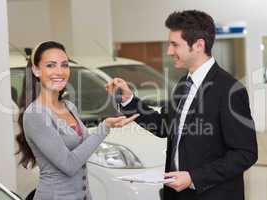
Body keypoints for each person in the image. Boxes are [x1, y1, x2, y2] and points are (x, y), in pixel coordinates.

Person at [106, 10, 258, 200]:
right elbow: (164, 125)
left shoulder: (230, 90)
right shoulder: (182, 85)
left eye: (174, 45)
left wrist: (194, 177)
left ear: (199, 45)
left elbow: (245, 153)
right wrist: (129, 100)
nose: (169, 51)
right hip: (178, 194)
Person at [16, 41, 139, 200]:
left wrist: (110, 124)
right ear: (36, 70)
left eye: (64, 65)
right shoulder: (35, 114)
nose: (60, 71)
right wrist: (104, 127)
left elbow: (84, 145)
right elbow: (69, 164)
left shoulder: (68, 106)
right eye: (51, 65)